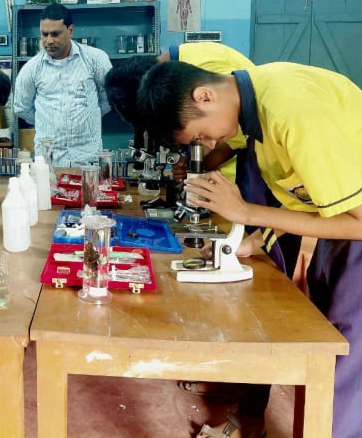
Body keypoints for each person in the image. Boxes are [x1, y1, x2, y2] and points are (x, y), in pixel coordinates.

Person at [136, 60, 362, 438]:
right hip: (342, 226)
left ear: (204, 96)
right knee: (330, 358)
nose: (211, 145)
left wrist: (245, 212)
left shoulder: (290, 108)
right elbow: (301, 198)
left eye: (201, 135)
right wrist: (253, 240)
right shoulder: (253, 114)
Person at [105, 47, 302, 438]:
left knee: (263, 293)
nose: (203, 140)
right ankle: (229, 373)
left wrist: (210, 172)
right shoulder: (189, 78)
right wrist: (196, 166)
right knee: (240, 277)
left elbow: (234, 135)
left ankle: (251, 415)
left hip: (270, 183)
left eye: (195, 135)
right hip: (250, 179)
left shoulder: (208, 73)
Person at [13, 3, 112, 167]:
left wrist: (87, 118)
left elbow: (108, 100)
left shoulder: (95, 60)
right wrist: (49, 122)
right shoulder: (31, 68)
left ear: (70, 30)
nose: (49, 41)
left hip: (87, 157)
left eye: (55, 34)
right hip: (49, 160)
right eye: (44, 34)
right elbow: (21, 108)